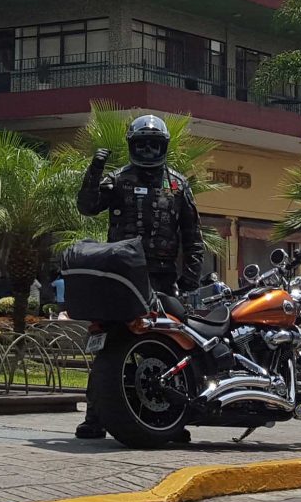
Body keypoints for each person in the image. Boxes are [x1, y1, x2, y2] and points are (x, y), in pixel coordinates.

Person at [71, 115, 205, 439]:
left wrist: (189, 279)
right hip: (122, 275)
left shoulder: (178, 184)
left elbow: (193, 237)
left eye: (154, 144)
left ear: (164, 147)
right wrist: (95, 170)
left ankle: (174, 417)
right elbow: (87, 206)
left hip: (162, 276)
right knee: (108, 340)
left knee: (178, 341)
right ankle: (96, 416)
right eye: (141, 143)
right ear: (132, 146)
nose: (147, 149)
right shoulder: (117, 179)